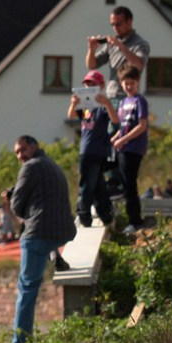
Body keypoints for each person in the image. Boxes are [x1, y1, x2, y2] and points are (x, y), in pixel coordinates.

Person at [4, 135, 76, 343]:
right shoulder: (53, 164)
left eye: (23, 149)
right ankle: (56, 257)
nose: (20, 155)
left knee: (27, 288)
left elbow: (16, 206)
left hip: (38, 234)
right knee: (44, 248)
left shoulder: (29, 168)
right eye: (17, 152)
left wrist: (12, 196)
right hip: (60, 231)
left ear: (35, 146)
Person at [67, 70, 115, 228]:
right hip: (86, 149)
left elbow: (115, 120)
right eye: (87, 84)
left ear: (101, 86)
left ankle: (84, 213)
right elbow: (72, 116)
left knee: (87, 183)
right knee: (96, 183)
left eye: (92, 84)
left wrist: (106, 103)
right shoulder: (86, 106)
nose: (89, 87)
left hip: (96, 149)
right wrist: (74, 103)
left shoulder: (102, 106)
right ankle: (105, 213)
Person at [110, 65, 150, 234]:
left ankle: (135, 220)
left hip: (133, 147)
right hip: (123, 146)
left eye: (132, 83)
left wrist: (123, 140)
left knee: (129, 184)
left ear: (137, 82)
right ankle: (130, 216)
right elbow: (124, 125)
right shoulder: (123, 102)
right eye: (126, 83)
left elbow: (142, 125)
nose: (129, 87)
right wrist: (115, 137)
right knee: (123, 182)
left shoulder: (139, 100)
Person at [86, 5, 151, 104]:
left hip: (128, 96)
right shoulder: (112, 44)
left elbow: (139, 65)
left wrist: (120, 46)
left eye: (118, 24)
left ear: (129, 22)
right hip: (111, 95)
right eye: (112, 25)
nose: (115, 28)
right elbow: (91, 65)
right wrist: (91, 49)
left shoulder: (140, 44)